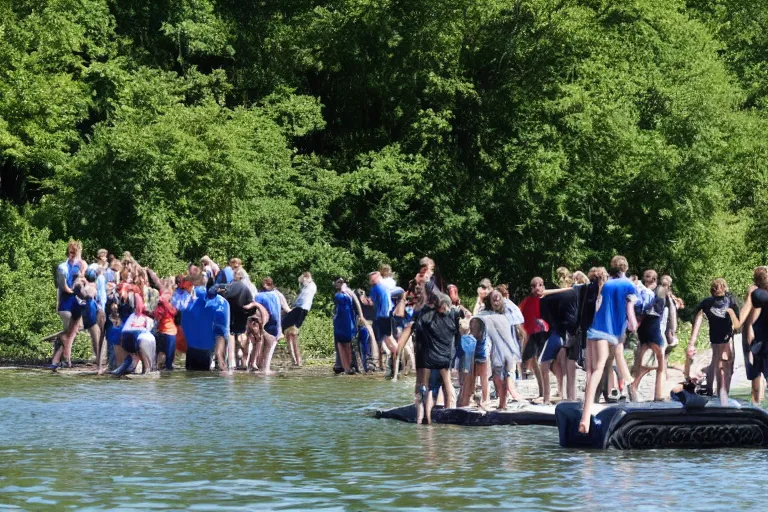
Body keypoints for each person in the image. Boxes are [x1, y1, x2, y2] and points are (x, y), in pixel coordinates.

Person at [579, 256, 638, 434]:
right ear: (626, 268)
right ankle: (631, 388)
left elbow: (598, 305)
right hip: (611, 332)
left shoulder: (606, 284)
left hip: (594, 329)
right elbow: (630, 311)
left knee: (594, 370)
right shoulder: (629, 285)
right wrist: (633, 325)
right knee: (610, 360)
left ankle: (585, 414)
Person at [478, 289, 524, 408]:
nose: (497, 301)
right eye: (494, 299)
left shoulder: (509, 312)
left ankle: (504, 402)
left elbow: (520, 317)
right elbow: (478, 320)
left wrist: (507, 301)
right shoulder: (486, 313)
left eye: (499, 298)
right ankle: (502, 401)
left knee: (507, 373)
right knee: (497, 375)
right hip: (494, 348)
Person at [630, 270, 668, 401]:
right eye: (645, 275)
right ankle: (636, 386)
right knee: (656, 359)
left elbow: (658, 308)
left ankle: (657, 392)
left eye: (649, 276)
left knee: (657, 359)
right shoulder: (642, 289)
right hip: (648, 324)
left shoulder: (657, 290)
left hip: (650, 323)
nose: (647, 278)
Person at [49, 241, 84, 369]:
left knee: (71, 333)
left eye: (75, 252)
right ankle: (62, 361)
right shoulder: (63, 267)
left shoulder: (80, 265)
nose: (73, 255)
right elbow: (64, 288)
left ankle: (60, 360)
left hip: (76, 305)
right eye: (71, 252)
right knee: (69, 334)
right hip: (67, 304)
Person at [223, 268, 258, 368]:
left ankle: (231, 362)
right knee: (242, 335)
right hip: (242, 314)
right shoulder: (246, 288)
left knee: (231, 335)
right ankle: (242, 361)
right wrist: (249, 313)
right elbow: (251, 303)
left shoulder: (228, 286)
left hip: (230, 315)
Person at [518, 277, 547, 397]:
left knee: (544, 363)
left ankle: (551, 391)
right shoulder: (527, 301)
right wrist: (523, 334)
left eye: (539, 285)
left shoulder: (547, 299)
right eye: (534, 286)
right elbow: (519, 315)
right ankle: (542, 392)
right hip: (532, 334)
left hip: (545, 333)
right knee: (534, 362)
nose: (536, 288)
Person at [743, 267, 768, 403]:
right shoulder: (756, 294)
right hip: (755, 338)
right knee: (755, 374)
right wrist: (749, 329)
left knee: (759, 375)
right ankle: (756, 404)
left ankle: (759, 402)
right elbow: (750, 317)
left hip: (762, 338)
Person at [282, 272, 318, 367]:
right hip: (300, 309)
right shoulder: (307, 287)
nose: (301, 283)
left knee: (291, 332)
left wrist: (291, 308)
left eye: (302, 281)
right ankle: (295, 360)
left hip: (301, 309)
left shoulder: (310, 287)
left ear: (306, 278)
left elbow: (301, 300)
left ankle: (297, 360)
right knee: (289, 332)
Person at [369, 271, 395, 372]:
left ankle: (395, 359)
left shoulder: (376, 288)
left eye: (371, 279)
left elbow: (371, 302)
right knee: (388, 338)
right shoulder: (385, 287)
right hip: (388, 315)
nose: (370, 281)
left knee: (387, 339)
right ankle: (394, 359)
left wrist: (364, 300)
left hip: (382, 316)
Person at [333, 278, 358, 374]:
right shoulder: (337, 294)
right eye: (337, 282)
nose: (337, 284)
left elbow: (354, 305)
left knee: (348, 344)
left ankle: (350, 365)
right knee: (340, 344)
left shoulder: (349, 293)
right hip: (339, 319)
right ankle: (345, 367)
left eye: (340, 282)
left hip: (348, 319)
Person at [151, 286, 178, 370]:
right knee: (168, 361)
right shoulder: (164, 306)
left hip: (167, 332)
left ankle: (159, 367)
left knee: (163, 357)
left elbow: (173, 312)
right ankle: (162, 368)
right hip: (167, 333)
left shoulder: (169, 306)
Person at [246, 308, 277, 374]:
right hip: (257, 325)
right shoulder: (252, 326)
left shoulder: (262, 333)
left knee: (258, 343)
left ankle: (255, 364)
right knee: (255, 344)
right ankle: (253, 364)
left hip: (262, 330)